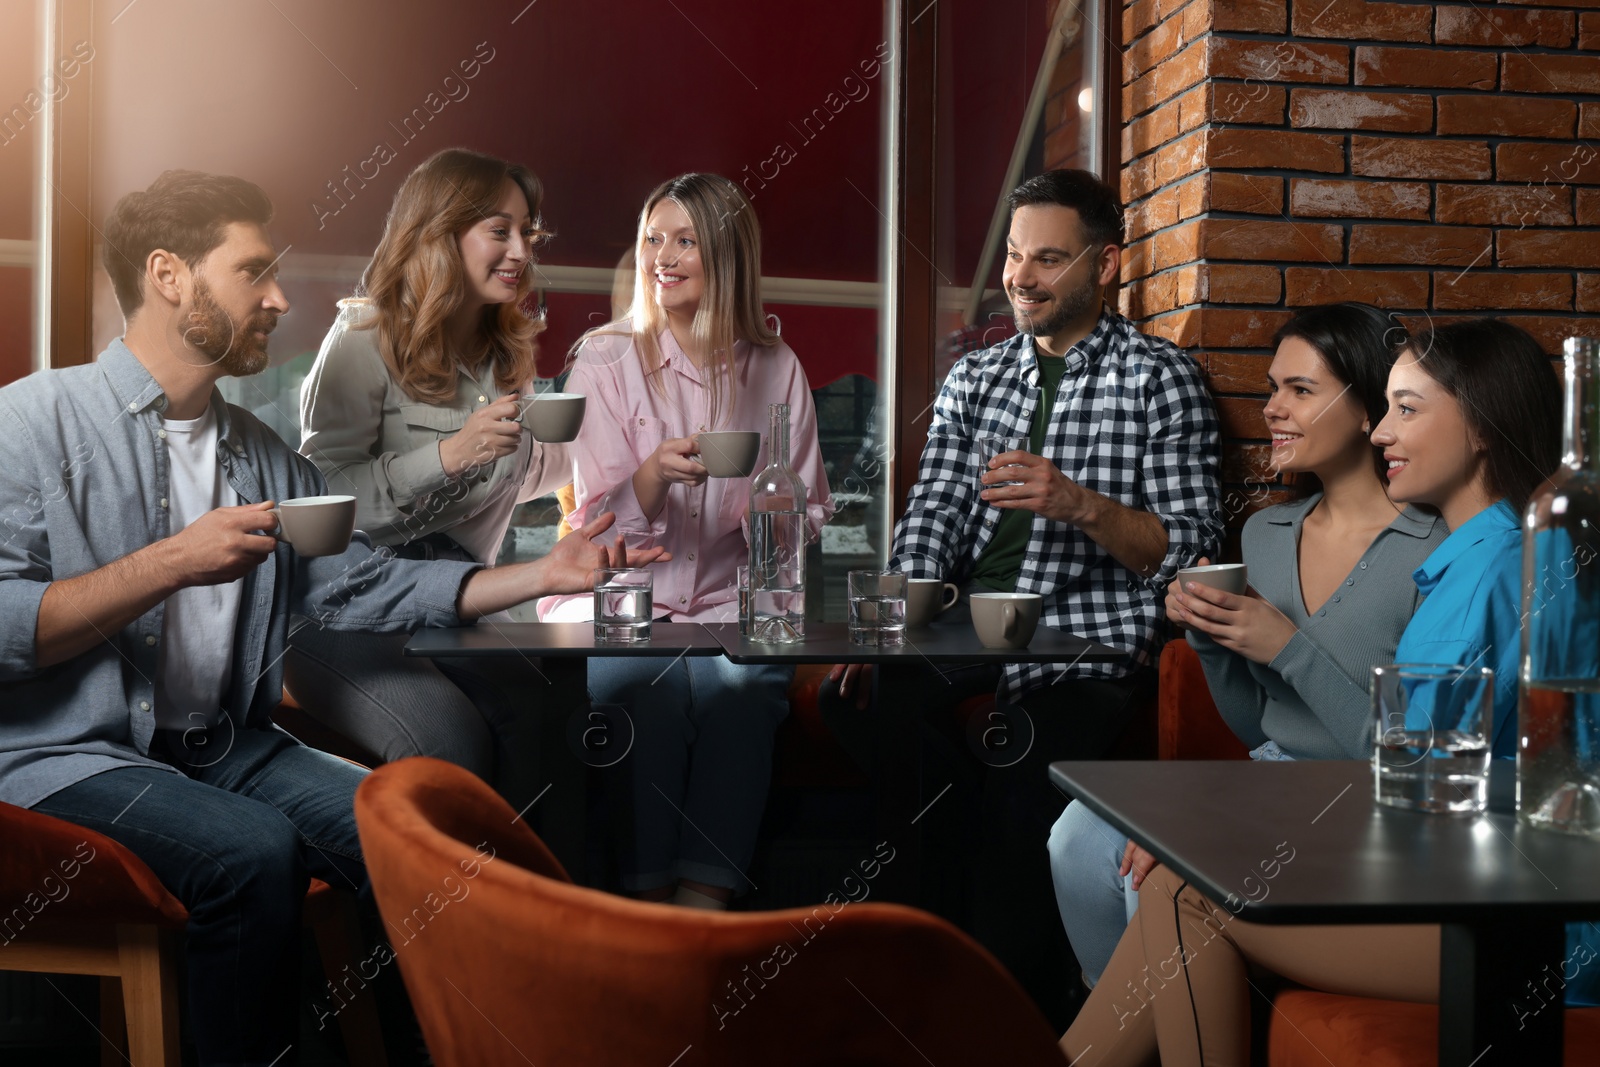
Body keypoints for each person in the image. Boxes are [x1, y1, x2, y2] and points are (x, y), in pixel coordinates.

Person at [0, 170, 661, 1064]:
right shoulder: (30, 422)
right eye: (253, 273)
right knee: (254, 854)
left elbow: (363, 585)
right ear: (168, 276)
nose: (278, 297)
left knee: (420, 844)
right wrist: (171, 561)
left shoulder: (262, 456)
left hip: (226, 747)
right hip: (68, 756)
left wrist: (547, 570)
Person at [1059, 318, 1600, 1067]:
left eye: (1407, 409)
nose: (1381, 432)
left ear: (1480, 425)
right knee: (1179, 883)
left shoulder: (1494, 571)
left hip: (1519, 926)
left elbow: (1399, 784)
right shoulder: (1493, 554)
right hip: (1474, 887)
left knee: (1188, 896)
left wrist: (1216, 829)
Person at [827, 168, 1221, 1019]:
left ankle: (1001, 1011)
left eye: (1047, 258)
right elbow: (931, 515)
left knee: (1014, 779)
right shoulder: (977, 379)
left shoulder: (1160, 379)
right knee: (859, 703)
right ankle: (920, 974)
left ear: (1105, 263)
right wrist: (893, 628)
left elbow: (1189, 547)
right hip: (969, 637)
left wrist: (1076, 502)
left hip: (1089, 647)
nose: (1021, 276)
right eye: (1014, 255)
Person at [1047, 303, 1445, 987]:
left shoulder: (1432, 547)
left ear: (1365, 409)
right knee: (1080, 835)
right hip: (1266, 773)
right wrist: (1210, 641)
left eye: (1300, 390)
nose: (1272, 409)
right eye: (1271, 388)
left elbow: (1405, 758)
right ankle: (1126, 1025)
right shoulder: (1265, 534)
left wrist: (1287, 645)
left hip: (1365, 798)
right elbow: (1257, 723)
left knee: (1160, 880)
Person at [538, 173, 835, 909]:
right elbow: (591, 525)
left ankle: (701, 904)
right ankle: (644, 901)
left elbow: (812, 506)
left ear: (727, 254)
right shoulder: (603, 359)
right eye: (651, 239)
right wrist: (650, 477)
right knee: (646, 696)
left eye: (684, 240)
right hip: (623, 602)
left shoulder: (777, 365)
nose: (661, 257)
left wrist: (772, 508)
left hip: (730, 611)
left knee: (743, 694)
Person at [287, 149, 569, 807]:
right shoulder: (362, 337)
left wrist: (628, 458)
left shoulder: (508, 353)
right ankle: (438, 907)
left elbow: (522, 473)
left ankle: (538, 905)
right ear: (441, 232)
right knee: (450, 744)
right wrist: (448, 455)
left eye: (526, 231)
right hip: (346, 605)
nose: (521, 249)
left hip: (451, 599)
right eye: (499, 230)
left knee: (557, 714)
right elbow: (324, 501)